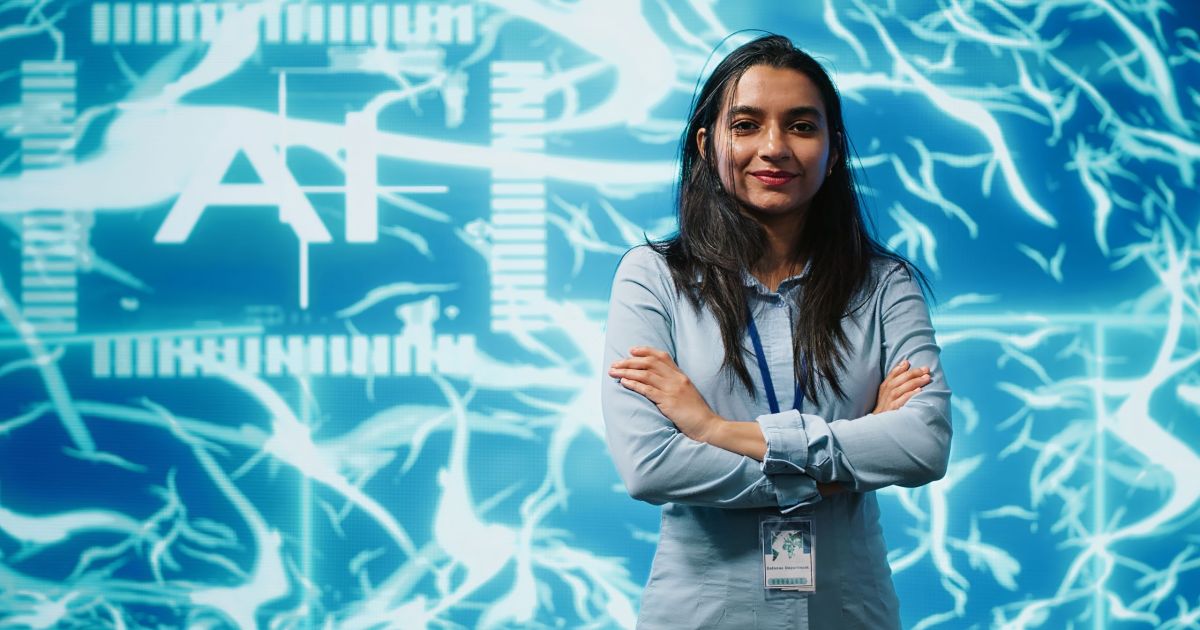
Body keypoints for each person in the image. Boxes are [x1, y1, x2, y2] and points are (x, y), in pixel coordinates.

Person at [601, 34, 952, 628]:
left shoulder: (885, 285)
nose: (773, 147)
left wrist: (713, 429)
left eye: (801, 126)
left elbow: (923, 446)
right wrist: (850, 452)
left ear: (833, 149)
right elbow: (651, 465)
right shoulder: (654, 278)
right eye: (745, 124)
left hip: (847, 612)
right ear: (707, 143)